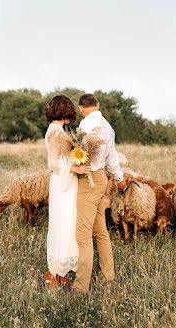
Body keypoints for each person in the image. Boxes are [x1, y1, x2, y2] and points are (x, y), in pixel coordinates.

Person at [72, 93, 127, 293]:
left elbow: (78, 155)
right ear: (98, 105)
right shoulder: (108, 126)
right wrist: (119, 178)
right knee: (100, 231)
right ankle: (107, 277)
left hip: (88, 179)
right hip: (102, 178)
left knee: (83, 234)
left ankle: (80, 286)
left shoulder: (85, 126)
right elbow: (112, 157)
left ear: (81, 108)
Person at [44, 95, 91, 288]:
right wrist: (75, 168)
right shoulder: (55, 132)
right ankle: (52, 273)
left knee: (68, 225)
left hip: (67, 182)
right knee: (62, 226)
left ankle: (61, 272)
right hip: (62, 183)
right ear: (65, 110)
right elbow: (53, 164)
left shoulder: (59, 130)